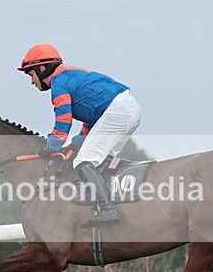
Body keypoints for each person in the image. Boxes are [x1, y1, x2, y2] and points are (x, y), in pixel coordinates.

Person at [17, 43, 141, 227]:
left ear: (42, 69)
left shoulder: (59, 84)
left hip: (119, 111)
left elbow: (63, 123)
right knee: (99, 161)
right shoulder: (67, 77)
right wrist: (75, 145)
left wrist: (50, 147)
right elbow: (91, 122)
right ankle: (113, 204)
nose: (32, 81)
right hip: (127, 110)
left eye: (31, 74)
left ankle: (108, 209)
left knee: (83, 163)